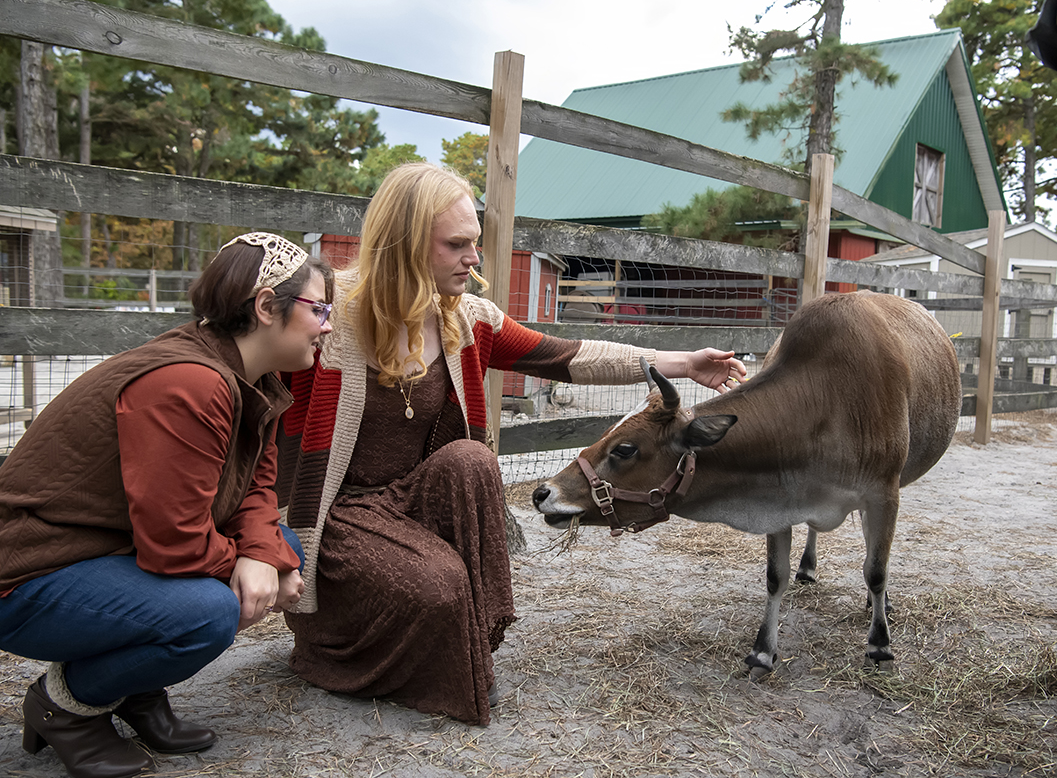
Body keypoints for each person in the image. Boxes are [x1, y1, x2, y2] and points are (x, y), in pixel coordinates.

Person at [276, 162, 747, 726]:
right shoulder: (327, 314)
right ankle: (343, 650)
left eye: (474, 243)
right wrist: (260, 537)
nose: (474, 259)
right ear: (403, 243)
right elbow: (243, 382)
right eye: (456, 245)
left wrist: (682, 364)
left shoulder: (466, 319)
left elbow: (567, 356)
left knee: (473, 460)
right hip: (343, 515)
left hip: (416, 501)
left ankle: (468, 644)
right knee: (439, 588)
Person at [0, 233, 333, 778]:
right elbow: (173, 542)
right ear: (267, 305)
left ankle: (135, 691)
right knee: (207, 612)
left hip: (106, 552)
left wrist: (268, 555)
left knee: (280, 548)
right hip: (30, 574)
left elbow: (256, 488)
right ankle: (65, 706)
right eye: (318, 308)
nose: (326, 324)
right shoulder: (187, 383)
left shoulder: (257, 381)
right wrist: (253, 564)